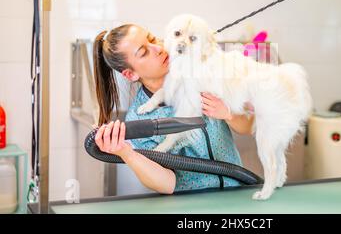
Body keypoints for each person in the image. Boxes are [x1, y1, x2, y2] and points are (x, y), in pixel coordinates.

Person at [92, 23, 254, 194]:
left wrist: (229, 113)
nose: (158, 49)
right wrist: (127, 153)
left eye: (153, 39)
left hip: (236, 194)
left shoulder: (202, 75)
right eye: (144, 52)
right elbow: (167, 184)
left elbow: (248, 127)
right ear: (131, 74)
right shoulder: (139, 120)